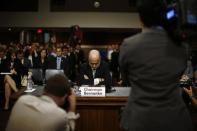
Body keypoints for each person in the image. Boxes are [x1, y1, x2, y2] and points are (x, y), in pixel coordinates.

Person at [119, 0, 193, 131]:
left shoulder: (128, 45)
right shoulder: (181, 46)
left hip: (139, 120)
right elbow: (180, 72)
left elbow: (126, 79)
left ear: (141, 19)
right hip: (175, 120)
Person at [6, 74, 79, 131]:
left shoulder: (22, 100)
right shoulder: (59, 114)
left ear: (44, 90)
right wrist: (71, 110)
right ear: (65, 97)